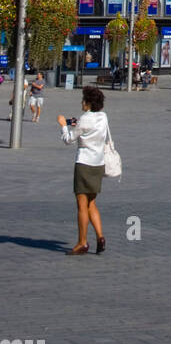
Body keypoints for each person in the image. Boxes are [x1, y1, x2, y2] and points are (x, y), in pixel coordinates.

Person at [57, 85, 108, 255]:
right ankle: (100, 236)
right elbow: (88, 125)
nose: (81, 103)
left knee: (81, 204)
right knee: (91, 202)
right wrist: (76, 122)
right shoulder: (103, 116)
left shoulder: (85, 119)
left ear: (88, 103)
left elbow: (69, 139)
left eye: (83, 100)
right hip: (98, 164)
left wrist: (64, 125)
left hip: (84, 164)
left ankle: (82, 242)